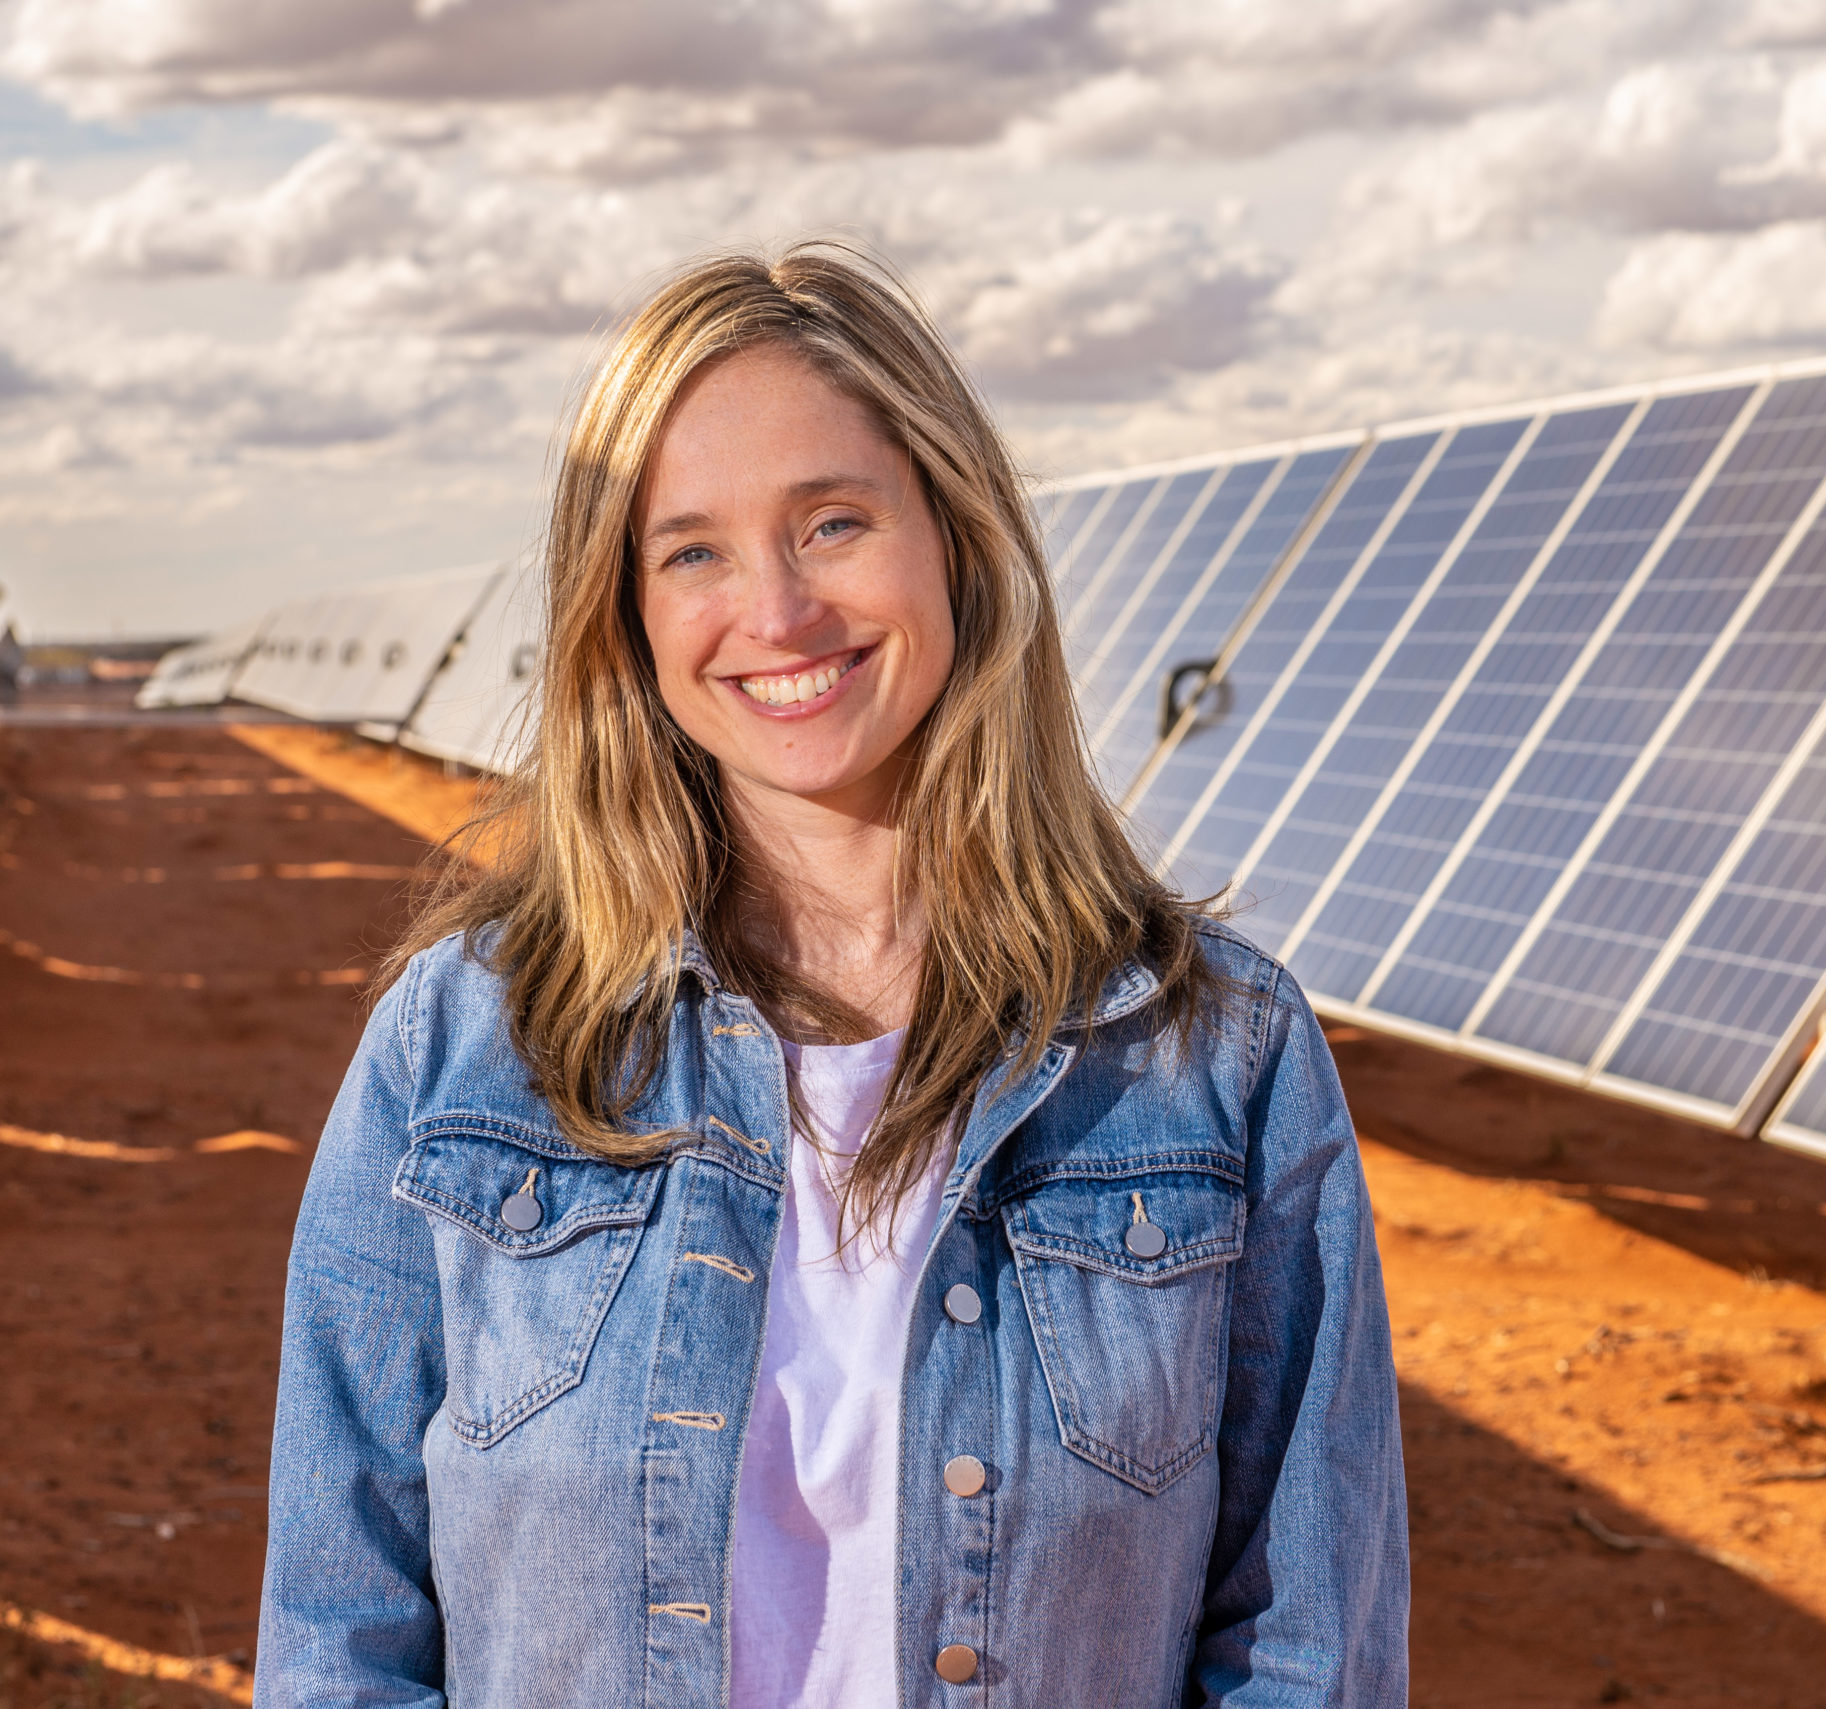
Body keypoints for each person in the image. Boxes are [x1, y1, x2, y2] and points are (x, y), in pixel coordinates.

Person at [255, 242, 1407, 1707]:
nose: (779, 611)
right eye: (694, 551)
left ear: (957, 539)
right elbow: (339, 1641)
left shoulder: (1216, 1059)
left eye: (834, 522)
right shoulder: (461, 1049)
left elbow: (1309, 1651)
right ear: (627, 616)